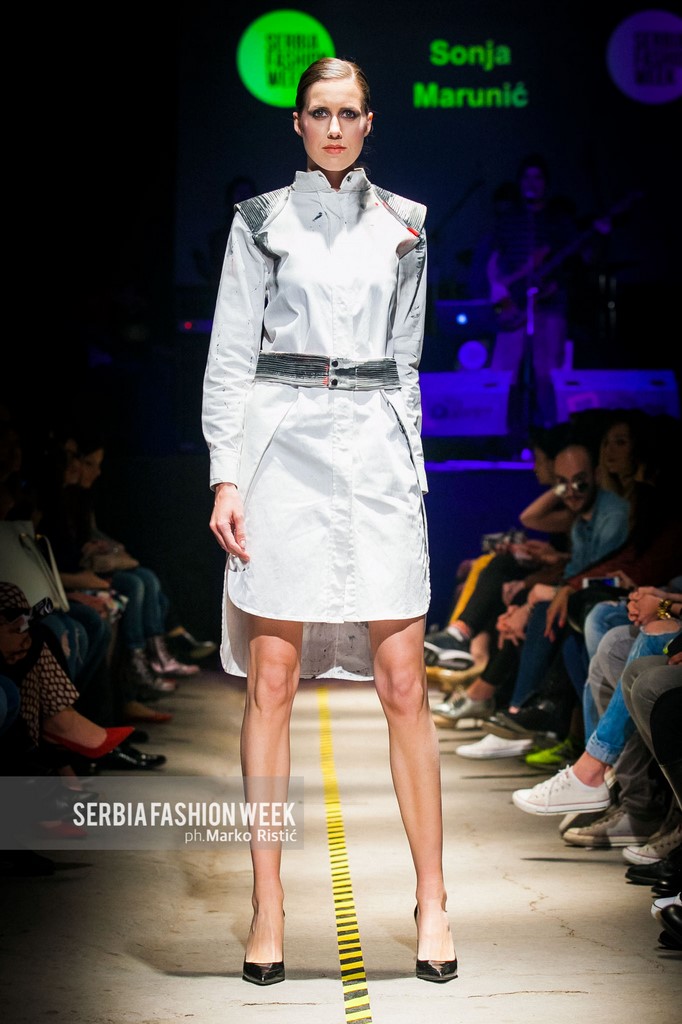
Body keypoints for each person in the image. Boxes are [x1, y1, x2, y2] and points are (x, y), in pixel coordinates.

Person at [201, 57, 457, 986]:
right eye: (321, 112)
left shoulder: (407, 224)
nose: (336, 127)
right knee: (272, 681)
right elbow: (231, 355)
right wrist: (226, 476)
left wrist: (412, 468)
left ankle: (433, 898)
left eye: (350, 112)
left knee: (404, 683)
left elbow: (408, 359)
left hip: (377, 455)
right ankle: (268, 903)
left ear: (370, 121)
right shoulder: (259, 223)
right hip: (284, 452)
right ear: (299, 123)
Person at [478, 153, 610, 434]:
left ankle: (553, 435)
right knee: (504, 374)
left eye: (538, 178)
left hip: (549, 305)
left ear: (546, 183)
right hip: (513, 305)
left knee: (547, 374)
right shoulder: (508, 220)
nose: (532, 183)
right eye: (527, 177)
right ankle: (505, 435)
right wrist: (503, 295)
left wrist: (600, 235)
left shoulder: (560, 221)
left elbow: (583, 259)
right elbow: (492, 264)